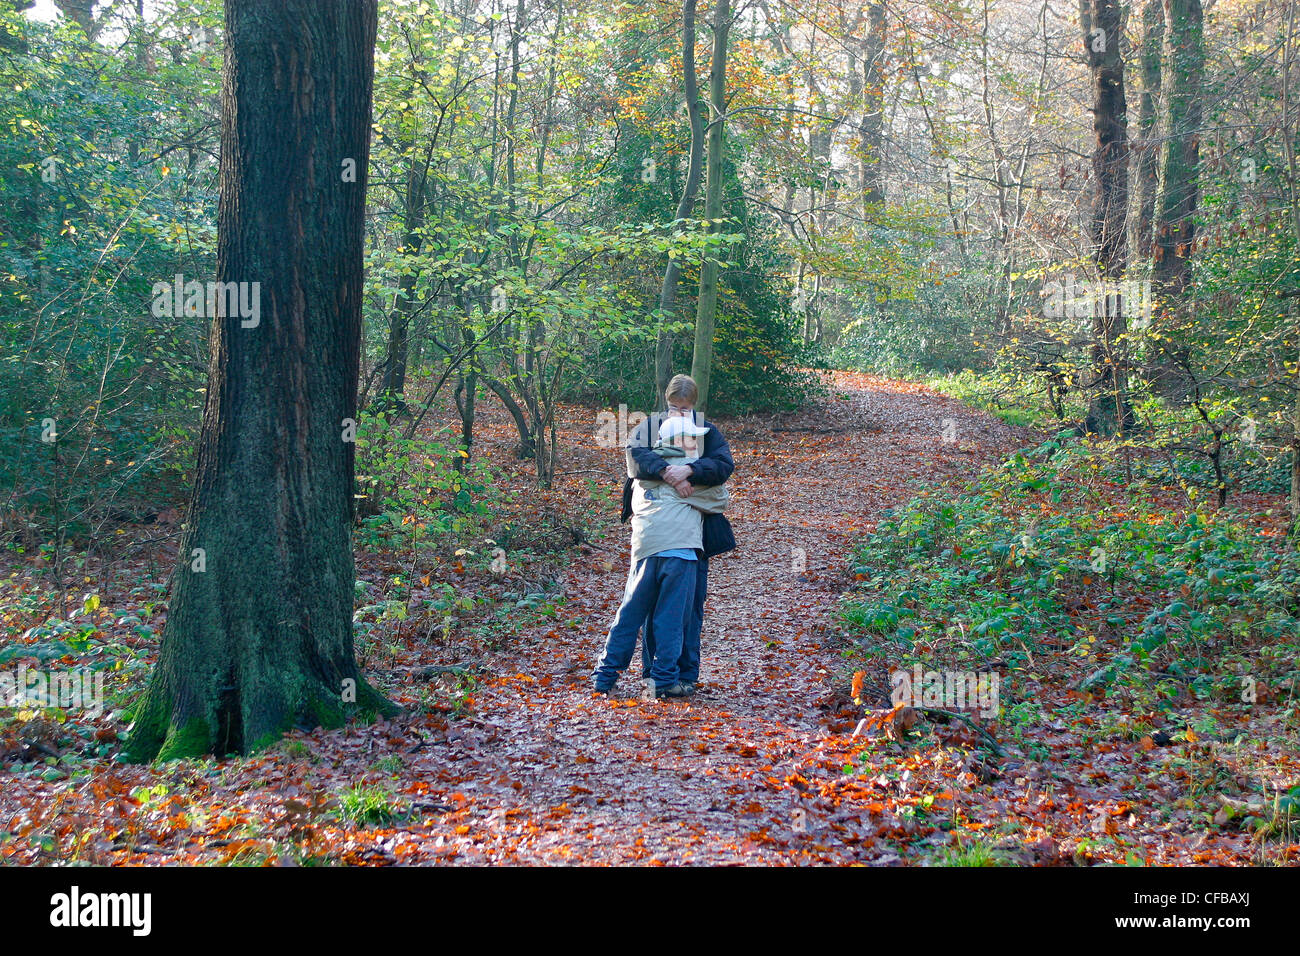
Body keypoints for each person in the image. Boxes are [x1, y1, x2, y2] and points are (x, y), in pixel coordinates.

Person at [592, 415, 729, 697]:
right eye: (691, 438)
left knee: (629, 614)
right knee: (670, 618)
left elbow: (633, 505)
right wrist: (686, 481)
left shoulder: (640, 475)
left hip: (644, 550)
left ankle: (605, 675)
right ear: (678, 441)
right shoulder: (691, 475)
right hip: (680, 553)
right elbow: (719, 500)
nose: (696, 444)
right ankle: (663, 680)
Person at [622, 374, 734, 694]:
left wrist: (691, 471)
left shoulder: (707, 431)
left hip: (695, 535)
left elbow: (724, 464)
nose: (678, 413)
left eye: (685, 408)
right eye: (674, 407)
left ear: (694, 406)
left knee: (690, 607)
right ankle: (652, 673)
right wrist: (666, 471)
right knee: (653, 604)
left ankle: (685, 676)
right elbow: (634, 458)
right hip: (655, 529)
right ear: (665, 401)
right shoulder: (650, 426)